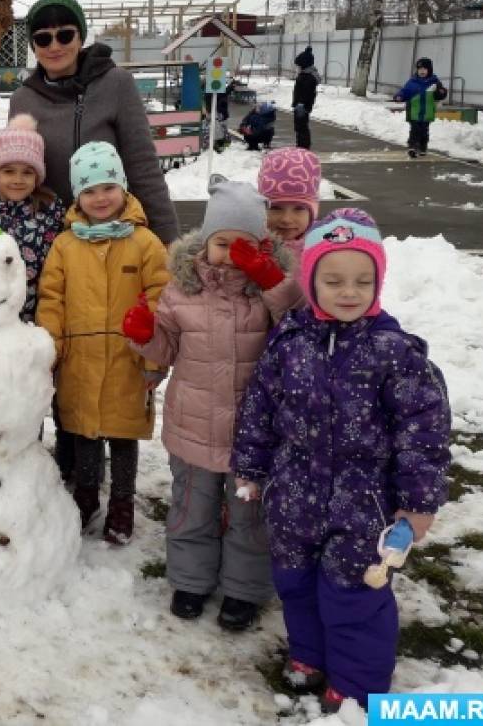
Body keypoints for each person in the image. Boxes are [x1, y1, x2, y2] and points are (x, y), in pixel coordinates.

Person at [232, 208, 450, 712]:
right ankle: (308, 655)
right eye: (333, 280)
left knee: (353, 593)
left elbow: (423, 432)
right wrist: (251, 467)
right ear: (311, 281)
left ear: (378, 281)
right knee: (296, 582)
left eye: (362, 281)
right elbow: (261, 408)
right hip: (294, 493)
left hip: (364, 502)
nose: (349, 291)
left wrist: (418, 503)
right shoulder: (290, 342)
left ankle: (355, 685)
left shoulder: (395, 352)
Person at [123, 178, 299, 631]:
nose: (231, 256)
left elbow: (300, 331)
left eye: (244, 247)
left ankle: (244, 589)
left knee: (248, 516)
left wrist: (271, 283)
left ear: (262, 248)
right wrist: (145, 335)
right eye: (222, 244)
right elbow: (167, 349)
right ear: (204, 244)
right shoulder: (182, 290)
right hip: (193, 427)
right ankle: (190, 579)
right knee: (192, 508)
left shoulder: (271, 291)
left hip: (253, 435)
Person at [36, 141, 170, 544]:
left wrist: (153, 358)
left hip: (128, 360)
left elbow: (160, 298)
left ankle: (122, 503)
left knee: (123, 434)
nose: (100, 198)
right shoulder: (65, 245)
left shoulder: (145, 243)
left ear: (123, 188)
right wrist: (51, 350)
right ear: (78, 195)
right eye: (89, 190)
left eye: (108, 187)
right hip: (79, 360)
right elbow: (52, 300)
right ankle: (86, 495)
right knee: (86, 434)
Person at [9, 0, 179, 245]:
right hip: (50, 241)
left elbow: (142, 164)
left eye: (65, 35)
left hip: (115, 236)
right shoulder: (23, 100)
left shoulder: (116, 84)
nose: (54, 46)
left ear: (80, 38)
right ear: (33, 46)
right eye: (43, 39)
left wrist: (166, 236)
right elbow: (14, 172)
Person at [0, 114, 65, 322]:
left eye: (27, 172)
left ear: (37, 177)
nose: (18, 180)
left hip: (38, 313)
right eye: (9, 171)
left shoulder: (49, 208)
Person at [258, 147, 322, 263]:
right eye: (276, 208)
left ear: (312, 213)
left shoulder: (323, 250)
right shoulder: (251, 246)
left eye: (299, 208)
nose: (286, 219)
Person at [392, 57, 447, 158]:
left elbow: (439, 95)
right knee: (415, 129)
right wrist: (399, 96)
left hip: (427, 111)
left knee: (424, 130)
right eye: (420, 69)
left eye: (424, 69)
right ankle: (413, 147)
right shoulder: (412, 82)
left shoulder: (434, 82)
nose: (422, 71)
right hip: (414, 111)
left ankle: (423, 146)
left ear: (429, 70)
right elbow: (405, 91)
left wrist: (441, 92)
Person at [291, 46, 318, 149]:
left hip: (302, 106)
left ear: (304, 65)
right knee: (300, 127)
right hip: (301, 105)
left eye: (298, 66)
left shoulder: (307, 77)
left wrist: (301, 103)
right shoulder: (305, 75)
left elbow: (306, 93)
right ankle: (301, 146)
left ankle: (303, 147)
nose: (297, 68)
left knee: (301, 127)